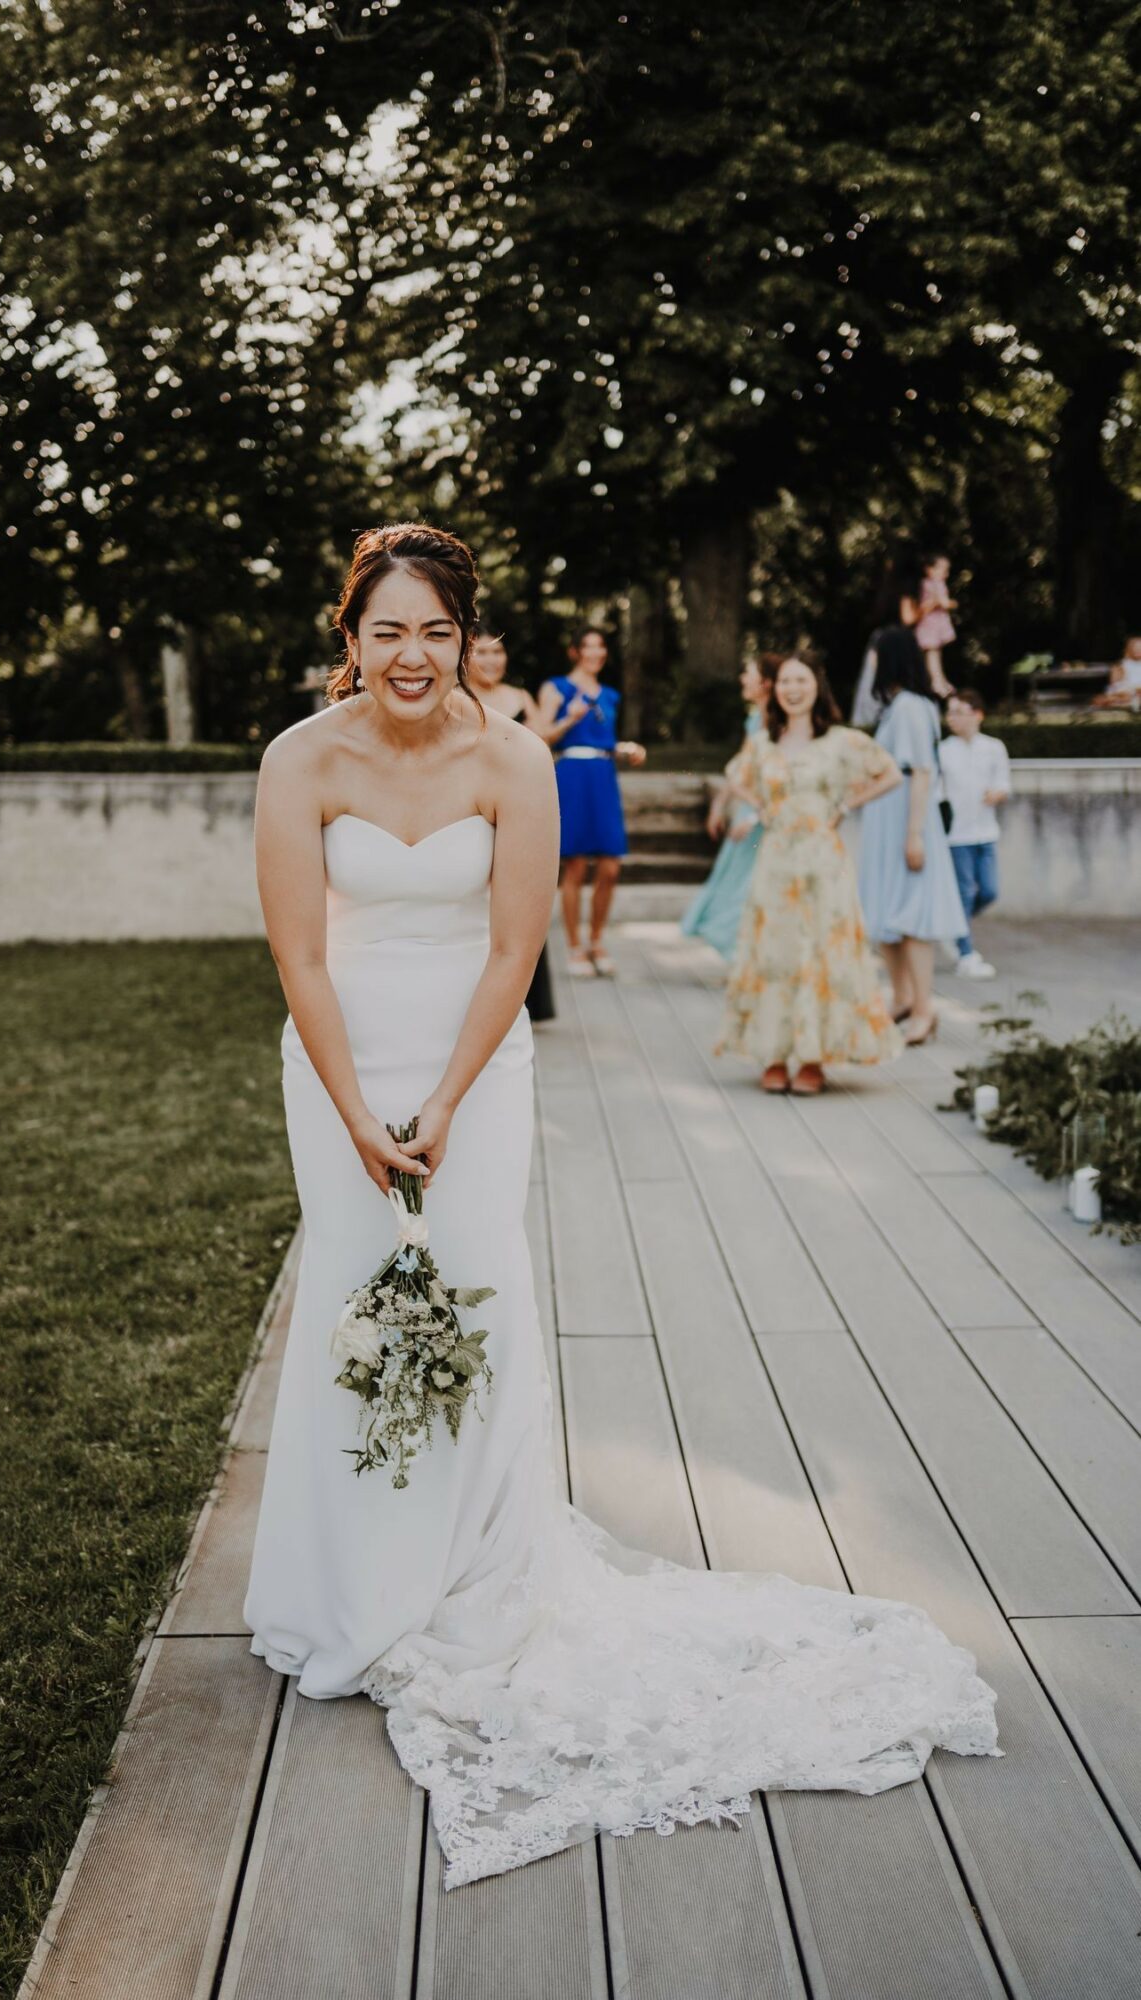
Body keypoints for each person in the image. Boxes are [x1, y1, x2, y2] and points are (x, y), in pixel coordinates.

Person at [242, 521, 998, 1891]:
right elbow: (296, 947)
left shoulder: (514, 758)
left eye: (435, 634)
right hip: (340, 1064)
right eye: (383, 631)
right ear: (346, 635)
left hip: (475, 1063)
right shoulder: (298, 760)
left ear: (468, 641)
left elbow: (513, 950)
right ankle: (344, 1583)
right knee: (358, 1301)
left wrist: (446, 1104)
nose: (408, 658)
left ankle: (473, 1579)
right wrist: (356, 1109)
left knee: (473, 1290)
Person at [717, 653, 905, 1094]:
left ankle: (814, 1057)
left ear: (816, 686)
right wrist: (762, 807)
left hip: (824, 861)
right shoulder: (764, 741)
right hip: (777, 860)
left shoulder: (840, 741)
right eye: (785, 681)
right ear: (775, 690)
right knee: (775, 951)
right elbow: (735, 776)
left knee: (821, 952)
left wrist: (845, 805)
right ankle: (775, 1053)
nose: (793, 689)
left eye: (801, 680)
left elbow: (890, 773)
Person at [856, 627, 968, 1044]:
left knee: (913, 915)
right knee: (886, 911)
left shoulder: (910, 707)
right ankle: (902, 997)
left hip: (906, 817)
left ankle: (924, 1008)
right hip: (888, 817)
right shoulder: (898, 707)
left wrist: (914, 834)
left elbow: (921, 771)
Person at [537, 627, 645, 978]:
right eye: (588, 647)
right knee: (576, 867)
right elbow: (541, 736)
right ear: (575, 652)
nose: (596, 653)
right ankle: (573, 946)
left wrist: (624, 749)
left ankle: (597, 940)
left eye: (601, 647)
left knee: (611, 866)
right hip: (571, 775)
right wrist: (571, 716)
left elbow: (603, 739)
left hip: (603, 775)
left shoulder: (611, 695)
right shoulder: (556, 688)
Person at [467, 624, 555, 1021]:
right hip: (473, 807)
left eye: (497, 653)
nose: (491, 660)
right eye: (482, 653)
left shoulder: (519, 698)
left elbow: (539, 748)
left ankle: (526, 998)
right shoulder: (455, 700)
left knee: (521, 896)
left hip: (518, 809)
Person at [680, 654, 775, 959]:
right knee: (733, 882)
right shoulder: (755, 719)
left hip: (764, 813)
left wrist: (757, 813)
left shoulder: (774, 722)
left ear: (766, 682)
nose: (742, 679)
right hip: (750, 809)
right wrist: (719, 805)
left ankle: (749, 955)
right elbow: (740, 769)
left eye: (748, 673)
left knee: (748, 886)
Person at [940, 689, 1011, 980]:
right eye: (949, 712)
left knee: (989, 891)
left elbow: (1004, 783)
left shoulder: (994, 747)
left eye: (959, 711)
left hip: (986, 831)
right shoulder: (943, 750)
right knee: (965, 892)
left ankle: (954, 927)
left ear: (977, 714)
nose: (952, 718)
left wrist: (997, 794)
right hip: (956, 836)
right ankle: (965, 953)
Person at [850, 557, 922, 726]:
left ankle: (866, 720)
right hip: (895, 641)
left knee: (871, 681)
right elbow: (908, 618)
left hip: (880, 638)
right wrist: (927, 609)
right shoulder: (906, 590)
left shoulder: (885, 590)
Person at [915, 553, 958, 698]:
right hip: (929, 625)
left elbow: (945, 603)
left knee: (936, 653)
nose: (946, 574)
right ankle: (936, 681)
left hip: (936, 625)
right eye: (943, 570)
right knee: (932, 654)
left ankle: (940, 680)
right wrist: (938, 602)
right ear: (930, 570)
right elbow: (924, 607)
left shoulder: (939, 584)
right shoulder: (927, 584)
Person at [1092, 633, 1141, 710]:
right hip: (1126, 692)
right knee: (1123, 697)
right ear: (1129, 648)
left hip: (1137, 694)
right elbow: (1116, 685)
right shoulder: (1121, 665)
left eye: (1140, 647)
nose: (1138, 650)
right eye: (1135, 647)